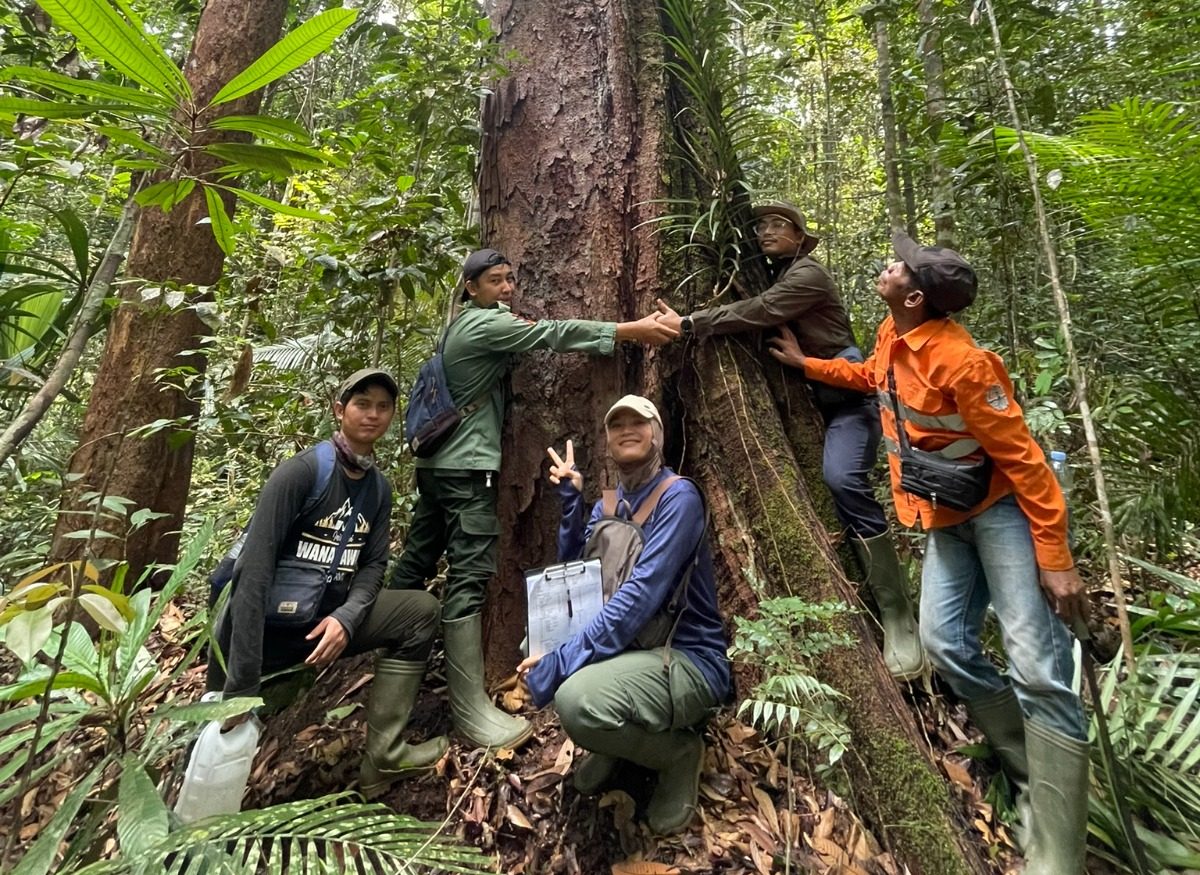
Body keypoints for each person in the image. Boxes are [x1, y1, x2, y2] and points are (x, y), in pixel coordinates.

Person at [768, 233, 1089, 875]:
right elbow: (869, 377)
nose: (886, 267)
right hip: (946, 520)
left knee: (1035, 664)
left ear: (915, 296)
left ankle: (1059, 852)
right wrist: (807, 365)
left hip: (1001, 515)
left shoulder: (966, 363)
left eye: (896, 267)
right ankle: (1024, 763)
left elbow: (1026, 462)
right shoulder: (893, 334)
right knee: (944, 644)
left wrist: (1055, 555)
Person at [387, 250, 678, 750]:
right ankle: (470, 709)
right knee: (471, 574)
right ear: (470, 289)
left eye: (509, 279)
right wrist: (631, 331)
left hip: (439, 467)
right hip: (466, 469)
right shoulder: (482, 327)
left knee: (414, 563)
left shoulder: (465, 326)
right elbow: (552, 334)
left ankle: (387, 695)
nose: (506, 288)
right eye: (493, 281)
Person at [654, 202, 925, 681]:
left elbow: (764, 310)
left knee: (841, 480)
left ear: (801, 237)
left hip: (846, 398)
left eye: (778, 225)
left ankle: (899, 616)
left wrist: (690, 323)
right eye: (760, 225)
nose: (765, 232)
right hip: (816, 396)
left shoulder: (808, 275)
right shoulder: (781, 272)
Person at [207, 369, 447, 798]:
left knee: (420, 612)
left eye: (383, 407)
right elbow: (252, 574)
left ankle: (385, 757)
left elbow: (373, 566)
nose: (373, 415)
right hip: (259, 633)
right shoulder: (300, 475)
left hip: (322, 626)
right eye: (362, 404)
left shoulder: (377, 489)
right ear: (340, 410)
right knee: (215, 755)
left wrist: (347, 618)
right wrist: (239, 687)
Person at [517, 395, 732, 835]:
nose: (627, 430)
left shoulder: (680, 498)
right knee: (533, 645)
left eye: (639, 421)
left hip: (685, 657)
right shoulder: (608, 505)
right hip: (633, 649)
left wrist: (563, 660)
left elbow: (639, 596)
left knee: (576, 700)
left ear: (658, 434)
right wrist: (573, 504)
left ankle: (677, 753)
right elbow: (575, 580)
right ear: (608, 441)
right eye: (618, 424)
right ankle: (621, 742)